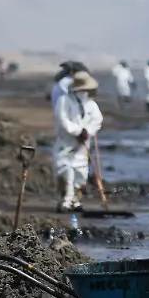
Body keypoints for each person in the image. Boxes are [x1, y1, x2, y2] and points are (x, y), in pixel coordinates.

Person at [53, 71, 103, 212]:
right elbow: (62, 120)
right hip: (66, 144)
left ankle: (75, 200)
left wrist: (88, 131)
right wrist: (77, 131)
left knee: (80, 172)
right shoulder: (64, 101)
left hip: (82, 146)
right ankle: (65, 201)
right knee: (65, 172)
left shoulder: (91, 104)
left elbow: (97, 120)